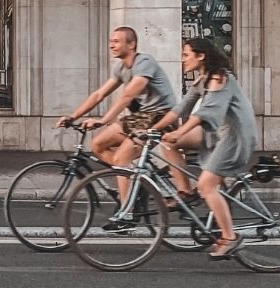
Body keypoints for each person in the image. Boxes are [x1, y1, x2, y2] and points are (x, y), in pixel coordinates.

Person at [56, 26, 189, 232]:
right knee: (98, 144)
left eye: (117, 41)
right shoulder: (120, 68)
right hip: (140, 117)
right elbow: (99, 94)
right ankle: (136, 179)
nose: (111, 44)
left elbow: (128, 95)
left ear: (132, 44)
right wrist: (73, 116)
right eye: (111, 40)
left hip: (161, 116)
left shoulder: (145, 63)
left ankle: (127, 214)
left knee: (121, 159)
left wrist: (104, 119)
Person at [150, 39, 256, 260]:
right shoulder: (203, 80)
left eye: (186, 54)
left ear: (201, 56)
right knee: (168, 143)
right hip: (218, 133)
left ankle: (229, 238)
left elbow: (205, 114)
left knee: (207, 185)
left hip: (235, 136)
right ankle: (186, 193)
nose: (182, 59)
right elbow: (178, 110)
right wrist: (152, 129)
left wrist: (179, 132)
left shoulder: (219, 78)